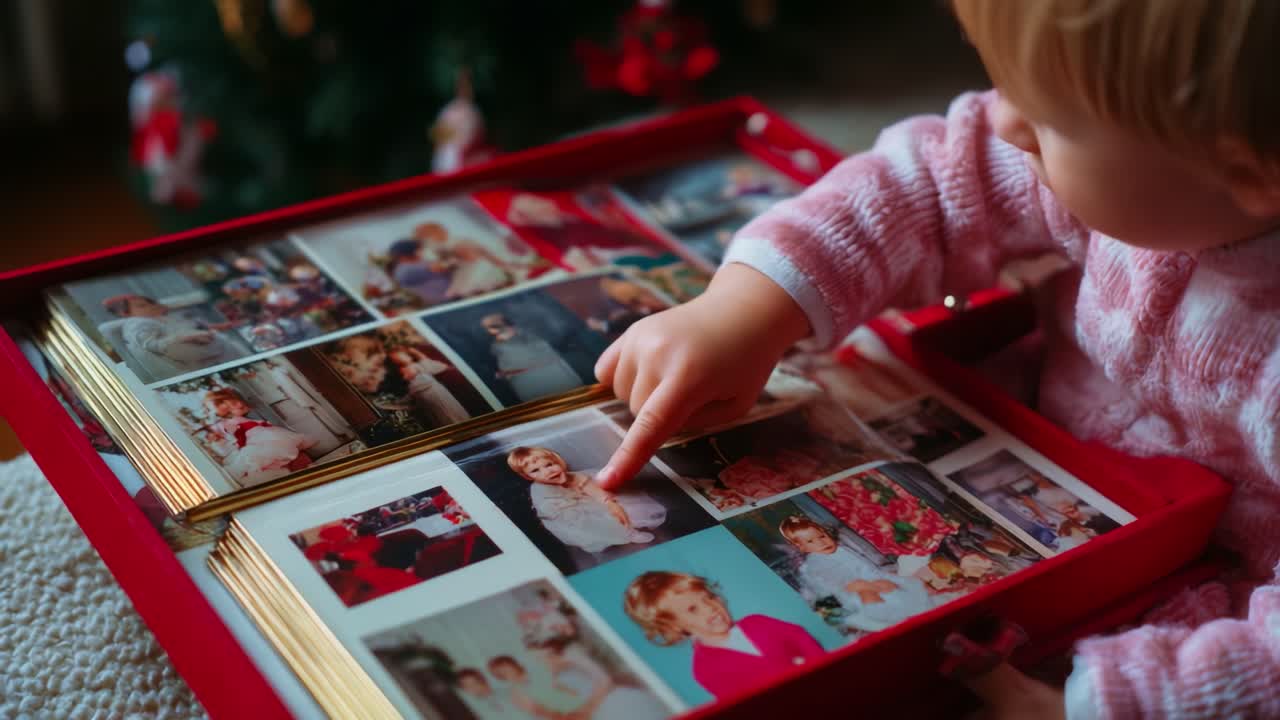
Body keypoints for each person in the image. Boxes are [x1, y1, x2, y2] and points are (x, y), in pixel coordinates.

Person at [597, 1, 1280, 717]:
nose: (1006, 121)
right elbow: (929, 183)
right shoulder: (1164, 176)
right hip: (1033, 429)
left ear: (1246, 170)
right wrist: (748, 307)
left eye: (1050, 116)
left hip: (1212, 615)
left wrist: (1118, 701)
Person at [623, 570, 827, 701]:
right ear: (673, 627)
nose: (711, 608)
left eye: (709, 597)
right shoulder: (705, 670)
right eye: (693, 609)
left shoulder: (757, 622)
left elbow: (799, 637)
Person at [780, 515, 937, 634]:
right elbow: (841, 588)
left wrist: (883, 579)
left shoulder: (841, 549)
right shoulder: (815, 563)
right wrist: (872, 585)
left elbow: (868, 568)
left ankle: (913, 607)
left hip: (870, 580)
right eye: (811, 542)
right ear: (801, 547)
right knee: (870, 594)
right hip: (847, 594)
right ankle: (888, 616)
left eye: (822, 536)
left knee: (911, 586)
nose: (821, 542)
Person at [506, 446, 666, 554]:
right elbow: (554, 512)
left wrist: (610, 503)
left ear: (558, 461)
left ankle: (629, 526)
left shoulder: (576, 477)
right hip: (568, 515)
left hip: (587, 501)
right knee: (595, 523)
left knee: (619, 507)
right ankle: (627, 534)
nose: (547, 472)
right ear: (528, 476)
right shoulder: (539, 490)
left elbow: (596, 493)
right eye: (536, 470)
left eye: (549, 464)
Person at [323, 332, 472, 435]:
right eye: (348, 373)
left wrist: (418, 372)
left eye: (377, 366)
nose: (366, 374)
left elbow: (461, 427)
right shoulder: (363, 406)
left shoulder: (417, 384)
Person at [99, 293, 243, 379]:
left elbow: (198, 327)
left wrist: (223, 326)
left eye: (149, 304)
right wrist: (186, 337)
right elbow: (151, 345)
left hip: (225, 353)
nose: (150, 307)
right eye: (141, 306)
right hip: (211, 365)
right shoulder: (138, 325)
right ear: (124, 313)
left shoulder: (161, 319)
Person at [203, 387, 314, 487]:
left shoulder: (235, 420)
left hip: (265, 439)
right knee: (261, 459)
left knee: (270, 455)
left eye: (236, 402)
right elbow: (235, 434)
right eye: (233, 404)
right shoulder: (228, 423)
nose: (239, 405)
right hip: (261, 441)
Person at [482, 313, 583, 403]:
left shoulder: (532, 334)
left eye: (495, 324)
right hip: (528, 384)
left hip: (555, 375)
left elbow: (549, 349)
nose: (494, 328)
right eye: (489, 326)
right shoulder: (495, 347)